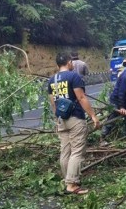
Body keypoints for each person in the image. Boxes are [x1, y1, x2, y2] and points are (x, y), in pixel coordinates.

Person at [47, 52, 100, 195]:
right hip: (75, 117)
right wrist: (93, 116)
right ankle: (71, 185)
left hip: (61, 119)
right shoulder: (74, 76)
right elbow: (81, 97)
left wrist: (57, 118)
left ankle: (68, 181)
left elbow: (53, 102)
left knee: (65, 152)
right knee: (77, 151)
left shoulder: (52, 80)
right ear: (69, 62)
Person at [100, 60, 126, 145]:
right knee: (112, 119)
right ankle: (102, 137)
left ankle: (125, 136)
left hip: (123, 101)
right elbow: (121, 92)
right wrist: (121, 107)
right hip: (116, 101)